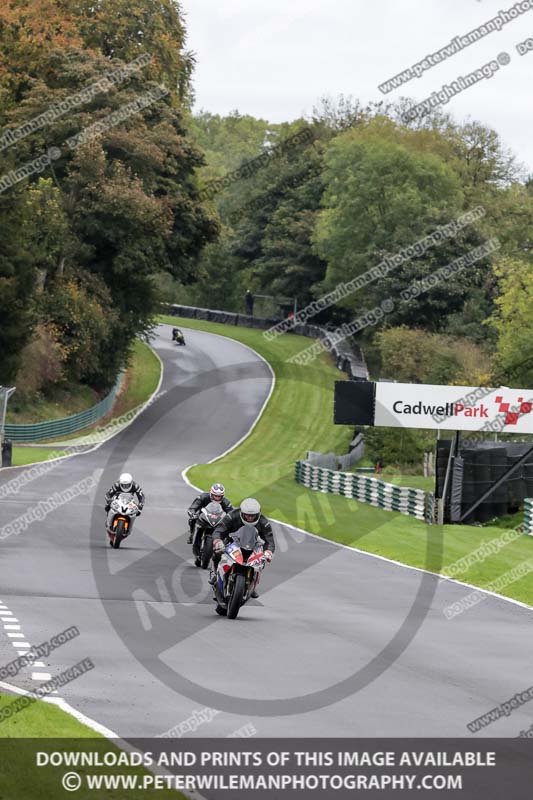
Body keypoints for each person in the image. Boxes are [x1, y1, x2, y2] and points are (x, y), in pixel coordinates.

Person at [210, 498, 274, 598]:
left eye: (252, 516)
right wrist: (218, 541)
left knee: (262, 558)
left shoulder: (264, 522)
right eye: (247, 515)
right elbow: (219, 530)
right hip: (232, 541)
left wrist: (268, 551)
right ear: (241, 512)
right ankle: (214, 573)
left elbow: (269, 540)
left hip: (253, 545)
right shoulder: (232, 516)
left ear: (258, 514)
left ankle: (253, 582)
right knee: (217, 550)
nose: (249, 518)